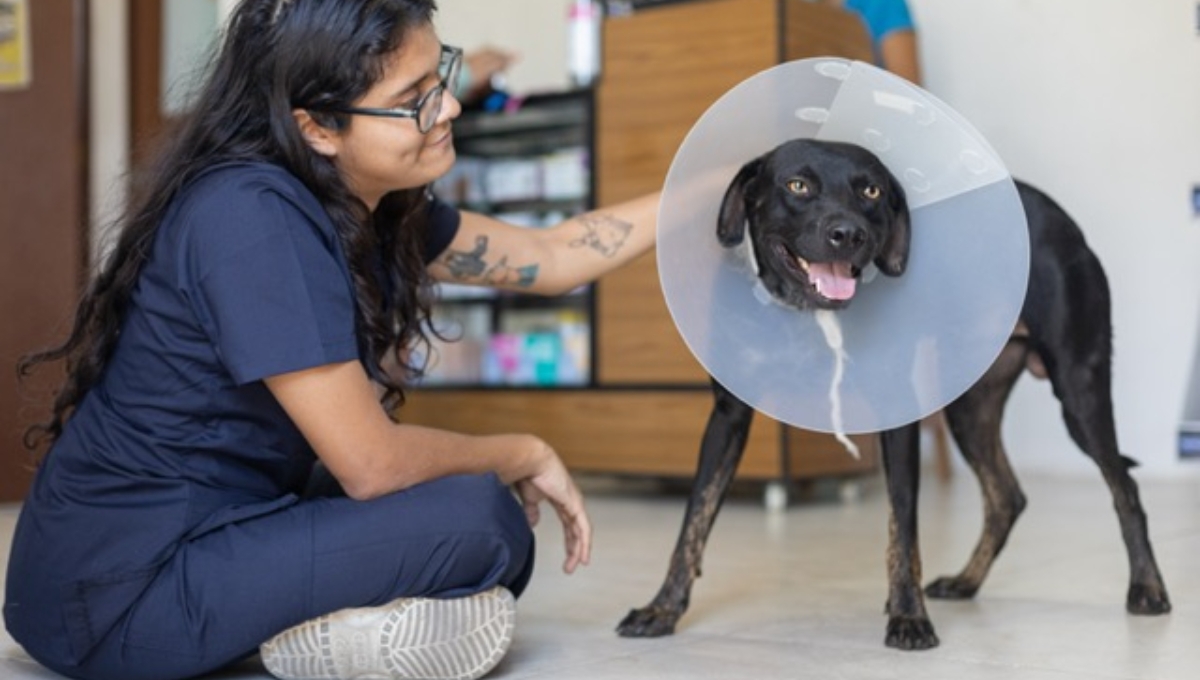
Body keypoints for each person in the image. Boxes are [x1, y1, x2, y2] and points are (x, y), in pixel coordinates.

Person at [3, 2, 658, 680]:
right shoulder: (250, 217)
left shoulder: (371, 201)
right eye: (413, 100)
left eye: (442, 77)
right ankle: (322, 631)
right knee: (484, 519)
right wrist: (524, 451)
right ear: (315, 126)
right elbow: (370, 464)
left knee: (449, 509)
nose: (450, 108)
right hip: (114, 596)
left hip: (226, 521)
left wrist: (706, 191)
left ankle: (330, 624)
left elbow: (550, 257)